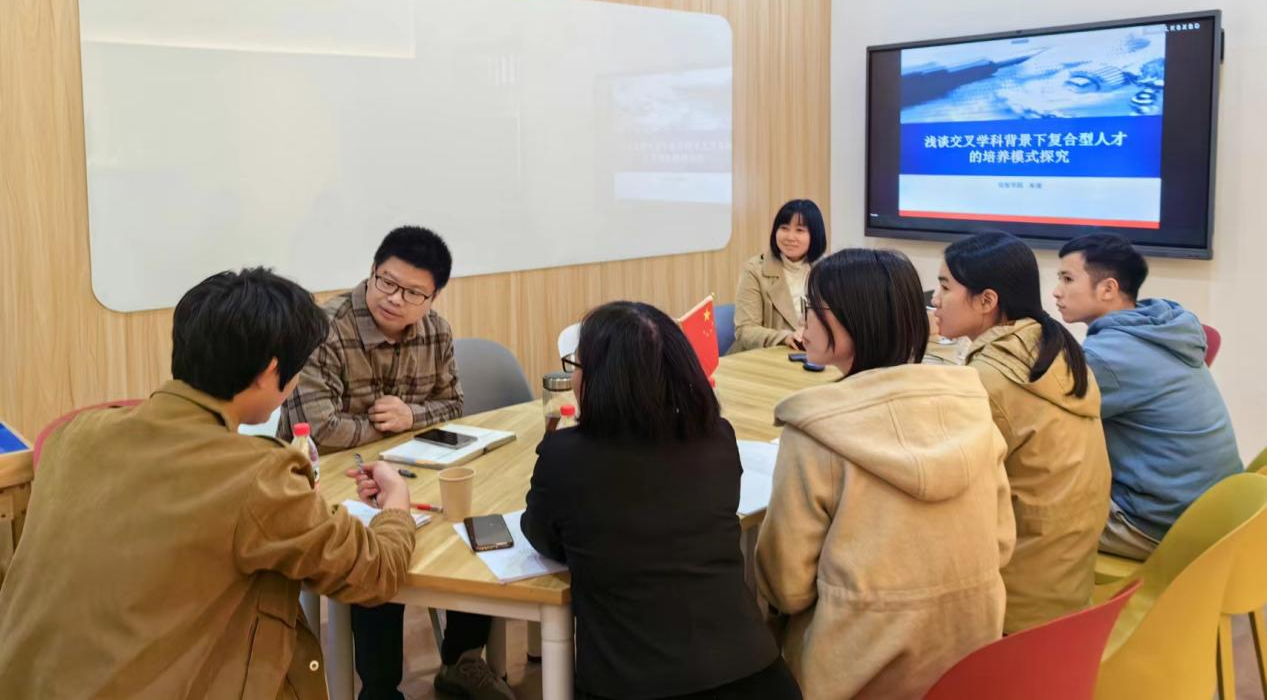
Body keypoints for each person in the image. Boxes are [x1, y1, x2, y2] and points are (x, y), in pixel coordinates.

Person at [0, 268, 416, 697]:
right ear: (270, 371)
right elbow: (373, 572)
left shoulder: (74, 434)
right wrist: (396, 505)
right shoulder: (257, 473)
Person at [757, 248, 1014, 698]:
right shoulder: (971, 409)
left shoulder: (814, 433)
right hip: (967, 665)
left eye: (811, 308)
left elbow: (787, 587)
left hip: (852, 675)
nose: (802, 322)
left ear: (853, 321)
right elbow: (1002, 545)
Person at [522, 301, 799, 700]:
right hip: (756, 677)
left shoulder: (564, 455)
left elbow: (542, 536)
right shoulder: (717, 437)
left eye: (577, 366)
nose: (575, 378)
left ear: (603, 380)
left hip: (633, 686)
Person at [279, 226, 506, 700]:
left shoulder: (436, 331)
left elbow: (453, 405)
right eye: (387, 282)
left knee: (475, 522)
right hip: (330, 483)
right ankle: (379, 690)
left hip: (411, 474)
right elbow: (320, 429)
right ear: (372, 271)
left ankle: (463, 661)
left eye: (413, 292)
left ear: (432, 296)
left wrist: (410, 415)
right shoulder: (323, 330)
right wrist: (388, 427)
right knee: (373, 552)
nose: (395, 298)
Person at [934, 231, 1110, 633]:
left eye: (944, 287)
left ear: (987, 301)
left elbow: (948, 488)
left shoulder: (991, 379)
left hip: (1015, 604)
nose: (936, 300)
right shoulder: (1052, 345)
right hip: (1066, 583)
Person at [1055, 233, 1242, 558]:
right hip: (1218, 513)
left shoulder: (1110, 356)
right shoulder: (1161, 326)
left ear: (1108, 289)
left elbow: (1044, 420)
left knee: (1018, 507)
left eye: (1067, 279)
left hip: (1156, 526)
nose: (1056, 291)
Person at [730, 198, 827, 353]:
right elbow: (745, 330)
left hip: (811, 354)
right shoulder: (755, 270)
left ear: (815, 235)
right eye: (784, 228)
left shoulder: (826, 270)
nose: (790, 237)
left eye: (799, 230)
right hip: (762, 358)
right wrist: (785, 337)